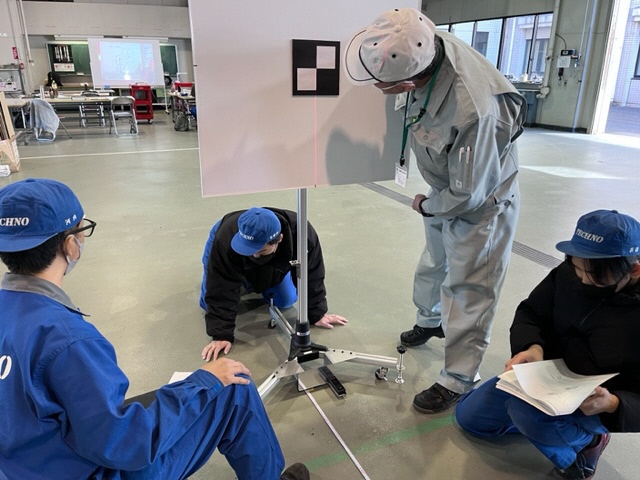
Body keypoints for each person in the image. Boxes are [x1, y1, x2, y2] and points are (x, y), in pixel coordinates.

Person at [0, 179, 309, 480]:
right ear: (71, 245)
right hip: (97, 468)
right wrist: (204, 381)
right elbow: (125, 443)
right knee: (232, 387)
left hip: (28, 463)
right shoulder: (67, 339)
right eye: (82, 230)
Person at [344, 7, 526, 413]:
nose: (375, 87)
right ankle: (430, 320)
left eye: (381, 85)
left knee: (469, 288)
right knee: (434, 260)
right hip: (446, 184)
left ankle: (458, 378)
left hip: (481, 202)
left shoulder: (475, 110)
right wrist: (433, 203)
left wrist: (429, 205)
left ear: (408, 83)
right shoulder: (421, 38)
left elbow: (470, 193)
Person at [455, 209, 640, 479]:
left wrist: (613, 404)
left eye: (595, 274)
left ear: (634, 269)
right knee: (469, 418)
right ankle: (547, 426)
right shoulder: (569, 273)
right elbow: (531, 312)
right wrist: (531, 348)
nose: (582, 279)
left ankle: (587, 443)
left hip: (596, 398)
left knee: (524, 413)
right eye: (577, 267)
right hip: (546, 377)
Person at [200, 207, 347, 361]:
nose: (255, 255)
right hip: (223, 242)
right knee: (207, 302)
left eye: (262, 250)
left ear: (279, 239)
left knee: (286, 301)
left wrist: (316, 313)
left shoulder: (302, 234)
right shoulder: (225, 239)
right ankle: (242, 278)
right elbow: (220, 285)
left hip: (279, 254)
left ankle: (255, 279)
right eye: (249, 251)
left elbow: (312, 274)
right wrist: (221, 334)